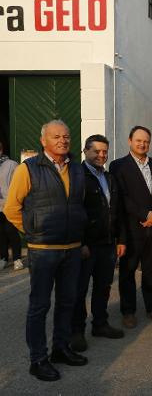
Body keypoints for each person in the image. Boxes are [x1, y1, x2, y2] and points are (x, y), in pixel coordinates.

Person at [4, 120, 88, 381]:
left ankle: (60, 349)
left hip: (72, 249)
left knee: (67, 303)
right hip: (43, 251)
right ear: (43, 141)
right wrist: (32, 233)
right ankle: (38, 359)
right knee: (39, 306)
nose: (62, 140)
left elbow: (79, 205)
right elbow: (11, 209)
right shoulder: (27, 169)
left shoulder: (76, 169)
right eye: (56, 137)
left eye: (66, 136)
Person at [70, 135, 126, 353]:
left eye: (105, 152)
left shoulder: (110, 178)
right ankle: (77, 331)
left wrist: (120, 239)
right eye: (97, 151)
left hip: (107, 243)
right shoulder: (77, 176)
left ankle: (100, 324)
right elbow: (74, 212)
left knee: (103, 287)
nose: (101, 155)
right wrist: (80, 242)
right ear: (86, 151)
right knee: (80, 289)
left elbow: (116, 211)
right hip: (86, 246)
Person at [110, 126, 152, 328]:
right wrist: (145, 214)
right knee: (127, 272)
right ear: (129, 141)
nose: (142, 144)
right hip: (130, 229)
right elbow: (122, 198)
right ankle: (128, 311)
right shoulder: (118, 166)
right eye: (138, 141)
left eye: (146, 141)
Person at [0, 142, 23, 271]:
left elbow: (18, 183)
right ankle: (3, 258)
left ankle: (17, 258)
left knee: (11, 231)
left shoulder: (11, 165)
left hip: (9, 204)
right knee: (0, 233)